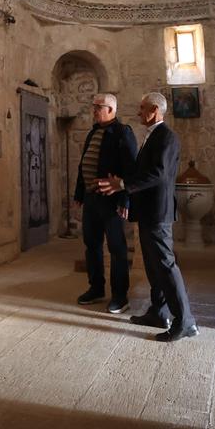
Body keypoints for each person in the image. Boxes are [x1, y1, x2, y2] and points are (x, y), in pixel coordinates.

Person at [98, 92, 197, 342]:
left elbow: (159, 174)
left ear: (154, 109)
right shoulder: (153, 136)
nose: (139, 112)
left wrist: (122, 184)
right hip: (148, 210)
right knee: (154, 266)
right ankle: (159, 312)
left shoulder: (167, 137)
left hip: (158, 212)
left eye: (143, 108)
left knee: (165, 265)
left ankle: (185, 321)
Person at [73, 93, 138, 313]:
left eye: (97, 107)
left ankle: (120, 296)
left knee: (117, 248)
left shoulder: (123, 133)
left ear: (110, 109)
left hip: (112, 200)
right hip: (92, 198)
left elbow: (131, 170)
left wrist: (126, 199)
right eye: (93, 107)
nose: (94, 111)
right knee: (91, 245)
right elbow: (84, 164)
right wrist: (80, 193)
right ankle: (96, 288)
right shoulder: (94, 132)